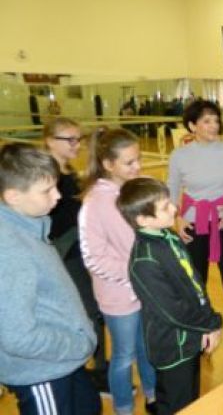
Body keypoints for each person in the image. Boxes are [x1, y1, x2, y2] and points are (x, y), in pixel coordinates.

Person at [0, 143, 100, 415]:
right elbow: (17, 336)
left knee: (89, 407)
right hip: (41, 372)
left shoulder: (31, 227)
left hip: (64, 361)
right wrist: (78, 344)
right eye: (46, 190)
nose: (57, 196)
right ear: (13, 196)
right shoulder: (10, 249)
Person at [117, 178, 223, 413]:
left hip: (191, 337)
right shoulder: (144, 261)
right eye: (165, 207)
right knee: (177, 404)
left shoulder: (169, 236)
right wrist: (211, 323)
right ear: (143, 220)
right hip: (173, 349)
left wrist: (207, 323)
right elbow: (173, 312)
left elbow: (194, 284)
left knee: (190, 400)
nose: (174, 208)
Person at [79, 127, 157, 415]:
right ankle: (123, 407)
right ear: (108, 164)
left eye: (138, 159)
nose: (137, 166)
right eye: (129, 162)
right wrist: (136, 271)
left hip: (143, 288)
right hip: (117, 295)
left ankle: (152, 396)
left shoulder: (131, 191)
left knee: (146, 348)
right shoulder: (95, 202)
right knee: (124, 356)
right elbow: (94, 259)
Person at [168, 100, 223, 364]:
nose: (214, 125)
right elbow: (171, 191)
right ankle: (200, 339)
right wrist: (176, 218)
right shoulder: (179, 156)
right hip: (193, 224)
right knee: (195, 286)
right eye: (206, 121)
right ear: (192, 126)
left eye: (216, 120)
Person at [43, 118, 109, 395]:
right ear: (50, 141)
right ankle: (97, 371)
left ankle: (98, 366)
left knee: (93, 310)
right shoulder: (44, 176)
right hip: (64, 255)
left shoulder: (67, 172)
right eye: (69, 139)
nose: (76, 144)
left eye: (78, 139)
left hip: (79, 250)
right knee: (90, 311)